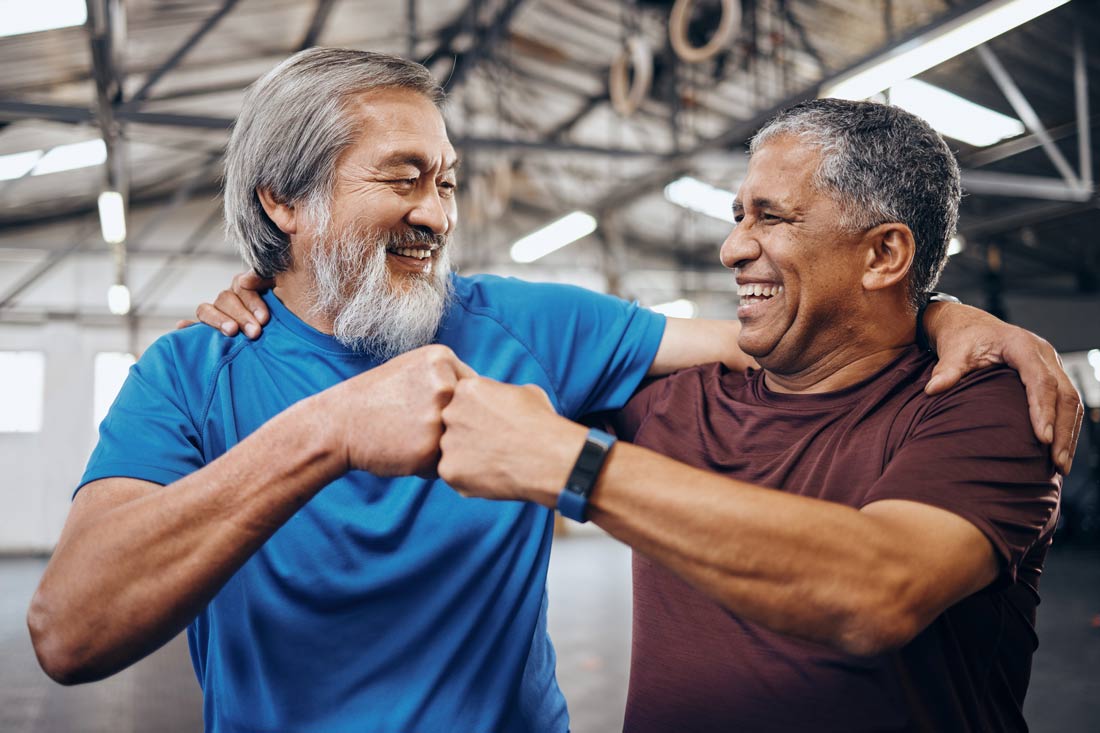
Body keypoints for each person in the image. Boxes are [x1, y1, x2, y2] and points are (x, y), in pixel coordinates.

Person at [33, 44, 1074, 732]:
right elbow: (71, 631)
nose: (437, 214)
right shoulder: (192, 370)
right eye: (402, 177)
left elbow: (779, 330)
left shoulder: (529, 325)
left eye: (444, 182)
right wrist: (327, 431)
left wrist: (943, 311)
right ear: (284, 199)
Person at [428, 100, 1082, 731]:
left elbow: (877, 589)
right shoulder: (673, 394)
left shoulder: (984, 401)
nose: (732, 248)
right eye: (739, 215)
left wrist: (573, 465)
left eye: (771, 217)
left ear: (883, 255)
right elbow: (459, 321)